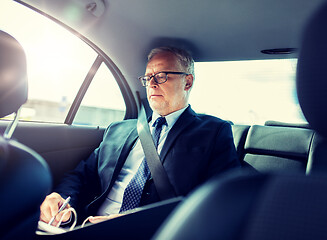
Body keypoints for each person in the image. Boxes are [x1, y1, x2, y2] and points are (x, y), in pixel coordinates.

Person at [39, 46, 240, 226]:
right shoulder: (118, 130)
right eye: (147, 77)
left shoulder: (214, 131)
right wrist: (61, 197)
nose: (151, 83)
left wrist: (135, 221)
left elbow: (220, 200)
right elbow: (81, 175)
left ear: (187, 82)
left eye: (161, 75)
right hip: (89, 226)